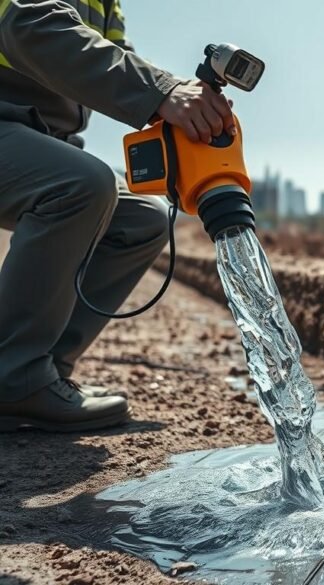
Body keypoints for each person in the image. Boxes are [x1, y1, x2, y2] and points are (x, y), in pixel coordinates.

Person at [0, 0, 235, 432]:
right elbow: (28, 24)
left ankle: (34, 373)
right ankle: (13, 375)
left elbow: (114, 56)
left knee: (142, 217)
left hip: (27, 133)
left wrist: (181, 93)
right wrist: (163, 92)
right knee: (81, 184)